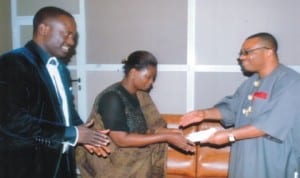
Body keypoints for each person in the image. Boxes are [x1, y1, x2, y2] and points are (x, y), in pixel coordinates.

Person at [0, 6, 111, 178]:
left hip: (60, 164)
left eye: (73, 36)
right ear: (43, 29)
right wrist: (71, 134)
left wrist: (85, 133)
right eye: (67, 34)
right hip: (27, 167)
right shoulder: (12, 63)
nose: (72, 42)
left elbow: (67, 112)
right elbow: (12, 120)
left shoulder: (60, 69)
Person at [179, 32, 300, 178]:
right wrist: (203, 114)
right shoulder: (251, 82)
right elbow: (231, 109)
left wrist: (228, 136)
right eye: (241, 53)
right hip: (244, 162)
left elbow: (269, 124)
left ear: (269, 52)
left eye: (247, 52)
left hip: (272, 161)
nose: (241, 57)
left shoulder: (291, 82)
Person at [76, 50, 195, 178]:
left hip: (133, 159)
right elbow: (121, 140)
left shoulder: (141, 95)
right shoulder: (112, 98)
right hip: (111, 164)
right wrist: (166, 137)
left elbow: (148, 129)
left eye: (153, 79)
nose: (151, 83)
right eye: (148, 77)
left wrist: (172, 133)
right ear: (133, 73)